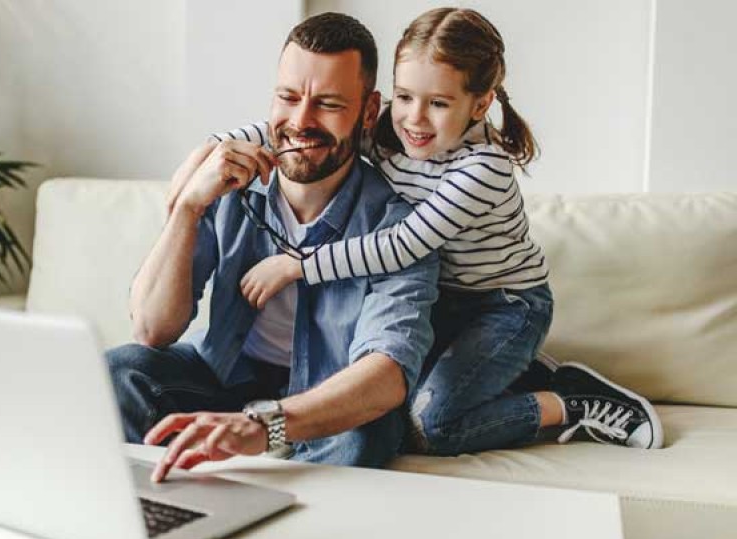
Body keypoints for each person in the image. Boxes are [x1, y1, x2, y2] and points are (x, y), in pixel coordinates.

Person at [172, 8, 663, 454]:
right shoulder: (391, 131)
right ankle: (514, 373)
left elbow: (404, 244)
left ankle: (568, 402)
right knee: (375, 398)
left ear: (480, 103)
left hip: (503, 306)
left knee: (430, 425)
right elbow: (303, 129)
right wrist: (209, 153)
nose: (414, 119)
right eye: (404, 97)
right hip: (442, 299)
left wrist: (298, 265)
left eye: (439, 104)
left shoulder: (483, 166)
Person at [108, 12, 440, 483]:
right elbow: (153, 329)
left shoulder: (401, 226)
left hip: (325, 398)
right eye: (287, 97)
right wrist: (187, 208)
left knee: (369, 430)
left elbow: (385, 373)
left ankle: (280, 527)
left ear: (368, 112)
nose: (301, 121)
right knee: (122, 370)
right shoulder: (228, 184)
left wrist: (266, 424)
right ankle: (163, 509)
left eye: (327, 104)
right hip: (226, 376)